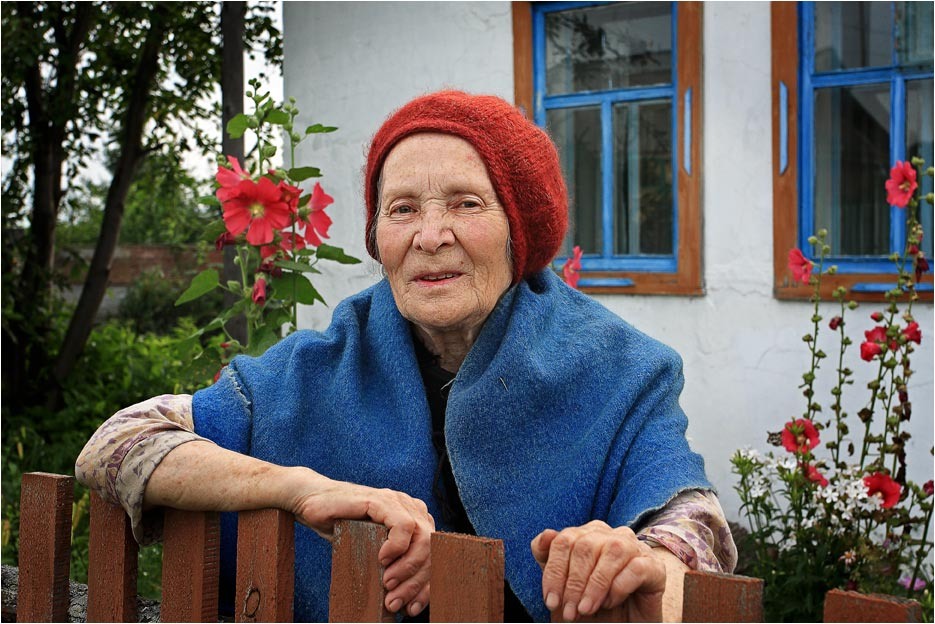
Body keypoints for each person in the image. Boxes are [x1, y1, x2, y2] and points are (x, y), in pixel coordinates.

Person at [77, 90, 736, 623]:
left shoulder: (621, 368)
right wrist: (304, 488)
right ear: (377, 237)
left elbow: (694, 522)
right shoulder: (316, 366)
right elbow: (116, 443)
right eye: (402, 209)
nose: (429, 236)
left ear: (519, 230)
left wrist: (642, 560)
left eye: (466, 204)